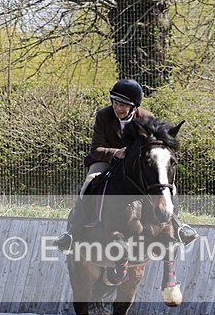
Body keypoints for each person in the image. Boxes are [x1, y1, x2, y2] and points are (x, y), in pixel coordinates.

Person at [53, 79, 199, 251]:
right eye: (115, 103)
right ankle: (72, 232)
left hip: (136, 164)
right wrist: (115, 153)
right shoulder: (103, 116)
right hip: (107, 160)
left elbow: (154, 146)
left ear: (134, 107)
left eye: (123, 105)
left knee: (169, 186)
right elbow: (96, 149)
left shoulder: (146, 117)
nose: (117, 108)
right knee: (88, 183)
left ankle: (178, 225)